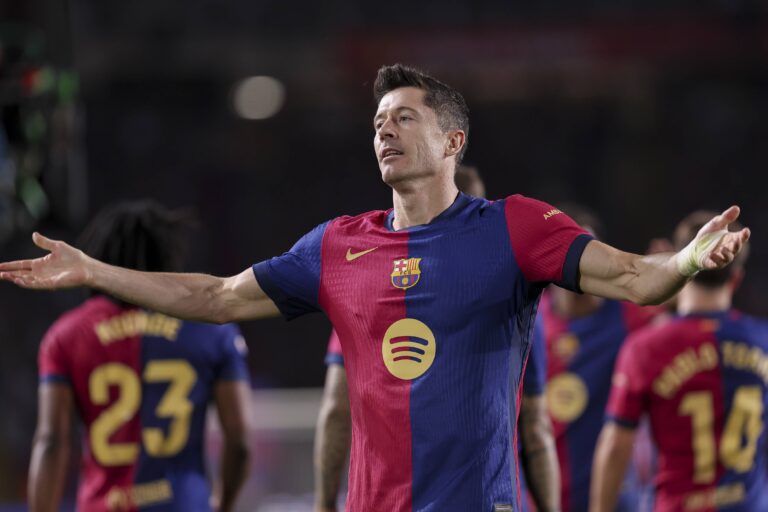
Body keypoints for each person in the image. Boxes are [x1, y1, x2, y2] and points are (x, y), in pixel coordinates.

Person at [0, 64, 748, 511]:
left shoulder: (515, 229)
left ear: (453, 142)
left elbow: (633, 278)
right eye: (378, 121)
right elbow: (218, 296)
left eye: (404, 118)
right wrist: (97, 272)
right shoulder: (336, 245)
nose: (383, 131)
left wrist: (686, 262)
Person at [313, 166, 560, 512]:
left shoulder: (365, 295)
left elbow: (337, 409)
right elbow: (534, 425)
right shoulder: (512, 298)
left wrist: (324, 505)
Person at [26, 201, 251, 512]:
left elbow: (51, 441)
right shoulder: (212, 332)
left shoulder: (66, 335)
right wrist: (224, 505)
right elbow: (239, 442)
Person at [590, 211, 766, 512]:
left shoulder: (645, 349)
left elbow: (616, 446)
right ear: (736, 278)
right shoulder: (762, 341)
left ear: (683, 267)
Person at [534, 205, 661, 512]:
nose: (583, 269)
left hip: (615, 495)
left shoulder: (626, 315)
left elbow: (677, 302)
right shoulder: (531, 320)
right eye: (572, 259)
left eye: (589, 259)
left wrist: (671, 269)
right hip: (543, 493)